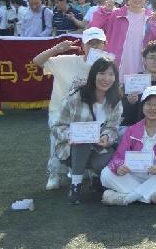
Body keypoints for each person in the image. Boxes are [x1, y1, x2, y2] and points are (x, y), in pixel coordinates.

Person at [33, 27, 107, 190]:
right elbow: (37, 61)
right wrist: (56, 49)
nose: (94, 46)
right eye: (90, 43)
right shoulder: (67, 61)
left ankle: (90, 172)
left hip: (91, 114)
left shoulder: (107, 65)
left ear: (105, 45)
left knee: (97, 136)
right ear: (83, 46)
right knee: (57, 139)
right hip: (61, 112)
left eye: (98, 43)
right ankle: (54, 173)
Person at [51, 58, 122, 204]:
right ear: (93, 75)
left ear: (115, 78)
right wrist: (71, 135)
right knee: (82, 139)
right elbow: (57, 126)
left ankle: (96, 178)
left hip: (98, 148)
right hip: (71, 149)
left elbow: (113, 128)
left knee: (102, 164)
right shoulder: (76, 96)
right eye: (102, 73)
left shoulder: (115, 101)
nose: (106, 78)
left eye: (111, 74)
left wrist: (106, 137)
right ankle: (75, 186)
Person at [100, 85, 156, 206]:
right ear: (142, 106)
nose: (152, 108)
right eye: (148, 104)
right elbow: (119, 156)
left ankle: (126, 198)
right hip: (133, 176)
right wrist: (120, 167)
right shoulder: (132, 130)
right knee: (106, 174)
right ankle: (151, 196)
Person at [91, 0, 156, 76]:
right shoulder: (115, 14)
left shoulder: (152, 17)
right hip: (114, 69)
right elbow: (94, 29)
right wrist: (105, 12)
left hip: (142, 70)